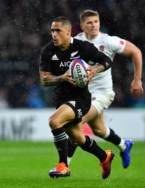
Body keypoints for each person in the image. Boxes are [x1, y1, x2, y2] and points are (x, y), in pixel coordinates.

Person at [39, 16, 115, 179]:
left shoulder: (82, 47)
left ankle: (63, 166)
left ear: (68, 31)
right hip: (61, 99)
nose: (54, 34)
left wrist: (95, 70)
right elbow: (44, 80)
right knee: (77, 139)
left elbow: (106, 60)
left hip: (80, 98)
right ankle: (104, 156)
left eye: (58, 31)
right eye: (52, 31)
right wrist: (62, 78)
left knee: (54, 121)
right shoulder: (47, 51)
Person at [67, 9, 143, 168]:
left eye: (96, 22)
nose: (93, 25)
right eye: (89, 23)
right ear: (82, 26)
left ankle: (64, 165)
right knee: (99, 130)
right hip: (84, 94)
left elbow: (136, 52)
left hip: (103, 93)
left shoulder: (109, 42)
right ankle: (123, 145)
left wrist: (137, 80)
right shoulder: (75, 42)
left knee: (76, 123)